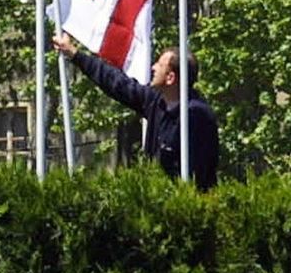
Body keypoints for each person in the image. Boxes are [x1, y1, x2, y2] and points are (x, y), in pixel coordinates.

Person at [52, 32, 219, 190]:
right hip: (156, 201)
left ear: (171, 78)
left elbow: (201, 171)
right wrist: (75, 54)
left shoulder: (197, 116)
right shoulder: (155, 101)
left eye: (159, 65)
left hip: (185, 207)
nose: (153, 67)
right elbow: (116, 83)